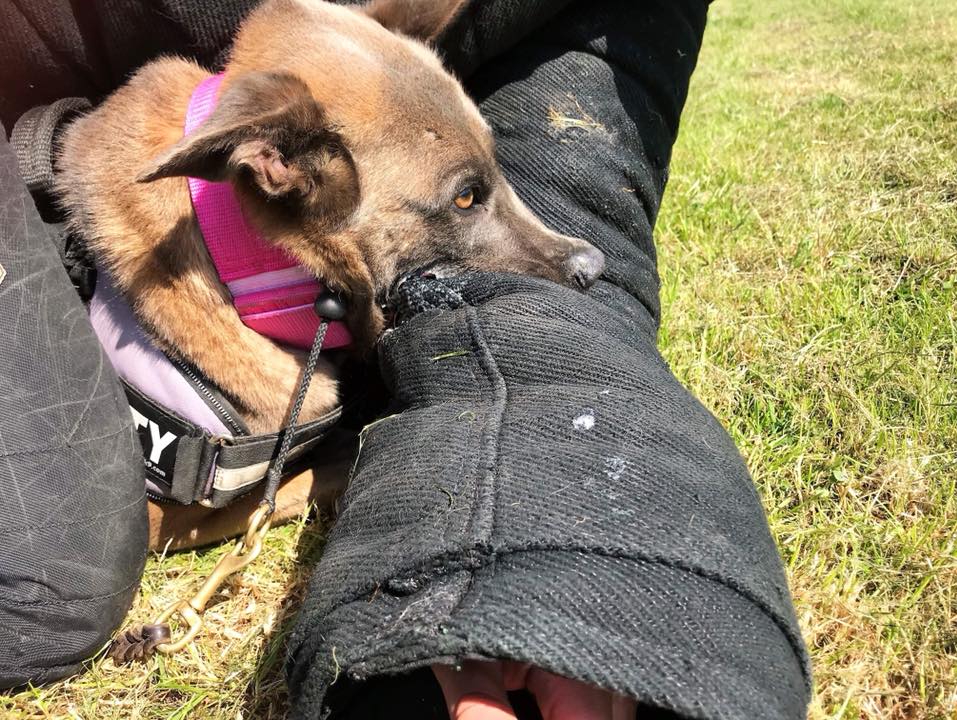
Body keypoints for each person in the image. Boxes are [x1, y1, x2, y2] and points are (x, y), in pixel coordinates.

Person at [0, 1, 811, 718]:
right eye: (467, 199)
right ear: (275, 163)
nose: (570, 255)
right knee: (53, 596)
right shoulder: (233, 190)